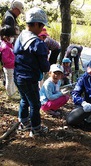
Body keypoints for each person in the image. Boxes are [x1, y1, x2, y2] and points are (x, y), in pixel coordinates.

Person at [13, 7, 50, 137]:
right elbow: (45, 67)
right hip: (29, 78)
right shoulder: (37, 43)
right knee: (35, 104)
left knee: (24, 99)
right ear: (35, 24)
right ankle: (36, 129)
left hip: (17, 76)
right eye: (41, 26)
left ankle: (23, 122)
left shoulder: (21, 37)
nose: (42, 29)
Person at [0, 25, 17, 99]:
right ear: (5, 37)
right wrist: (14, 62)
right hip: (9, 67)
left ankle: (13, 92)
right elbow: (5, 59)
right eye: (11, 36)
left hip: (12, 66)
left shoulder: (9, 45)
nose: (12, 38)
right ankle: (10, 94)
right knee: (9, 80)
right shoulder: (5, 47)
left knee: (12, 80)